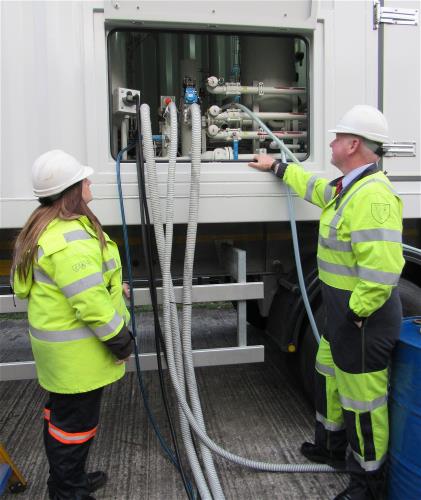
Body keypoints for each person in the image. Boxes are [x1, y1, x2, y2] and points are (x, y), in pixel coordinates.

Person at [249, 105, 404, 500]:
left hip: (361, 320)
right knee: (328, 376)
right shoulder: (347, 187)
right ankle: (331, 448)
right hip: (343, 314)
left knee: (362, 403)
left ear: (353, 145)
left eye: (337, 137)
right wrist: (278, 167)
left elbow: (383, 271)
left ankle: (368, 484)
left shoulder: (374, 197)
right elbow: (315, 189)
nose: (331, 143)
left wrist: (354, 314)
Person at [11, 150, 133, 500]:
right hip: (78, 360)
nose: (90, 182)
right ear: (71, 190)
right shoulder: (69, 241)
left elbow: (80, 288)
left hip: (64, 360)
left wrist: (114, 288)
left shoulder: (49, 228)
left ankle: (69, 482)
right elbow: (90, 305)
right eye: (84, 179)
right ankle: (68, 493)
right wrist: (121, 342)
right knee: (73, 431)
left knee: (63, 423)